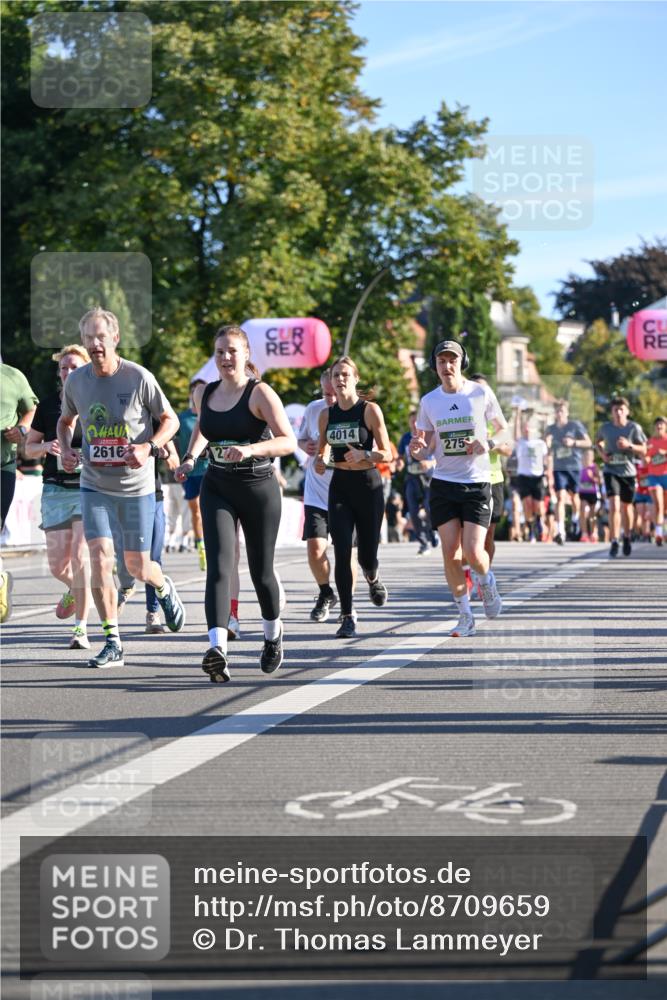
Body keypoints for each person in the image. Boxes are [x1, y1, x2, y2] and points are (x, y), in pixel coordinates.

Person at [58, 307, 185, 668]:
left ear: (115, 339)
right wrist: (67, 449)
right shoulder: (76, 381)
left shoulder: (139, 377)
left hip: (136, 487)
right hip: (94, 484)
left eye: (101, 337)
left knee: (138, 566)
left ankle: (162, 586)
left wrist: (148, 447)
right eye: (88, 338)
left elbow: (170, 420)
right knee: (99, 559)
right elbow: (65, 421)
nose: (95, 344)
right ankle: (112, 640)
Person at [175, 324, 296, 682]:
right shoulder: (208, 392)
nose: (225, 358)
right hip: (218, 486)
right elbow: (202, 429)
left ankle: (273, 636)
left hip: (258, 487)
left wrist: (249, 449)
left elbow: (287, 441)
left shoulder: (259, 393)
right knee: (219, 568)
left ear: (246, 355)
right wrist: (189, 458)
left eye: (232, 351)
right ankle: (217, 650)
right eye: (219, 353)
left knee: (260, 573)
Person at [410, 339, 506, 638]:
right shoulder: (429, 401)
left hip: (477, 483)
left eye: (452, 360)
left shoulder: (480, 392)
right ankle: (465, 615)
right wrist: (417, 449)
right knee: (450, 553)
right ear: (435, 366)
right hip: (443, 483)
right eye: (441, 361)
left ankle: (486, 580)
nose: (447, 366)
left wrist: (487, 443)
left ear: (461, 363)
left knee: (474, 552)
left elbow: (504, 430)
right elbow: (424, 446)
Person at [315, 355, 392, 639]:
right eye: (336, 376)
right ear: (331, 382)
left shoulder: (369, 410)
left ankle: (373, 577)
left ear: (355, 378)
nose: (341, 379)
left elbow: (389, 453)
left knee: (367, 556)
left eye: (346, 374)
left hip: (368, 484)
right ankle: (347, 616)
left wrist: (365, 454)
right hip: (340, 486)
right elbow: (321, 451)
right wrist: (319, 461)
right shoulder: (327, 414)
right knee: (342, 550)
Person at [24, 345, 92, 648]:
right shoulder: (50, 404)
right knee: (57, 566)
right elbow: (28, 448)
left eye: (74, 367)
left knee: (80, 558)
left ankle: (81, 628)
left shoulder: (96, 402)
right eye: (64, 368)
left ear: (86, 369)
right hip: (54, 488)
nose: (68, 372)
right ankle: (77, 590)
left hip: (87, 488)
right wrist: (47, 447)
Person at [298, 369, 358, 623]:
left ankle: (348, 604)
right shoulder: (314, 410)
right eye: (326, 394)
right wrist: (306, 446)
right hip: (316, 492)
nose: (331, 399)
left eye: (335, 394)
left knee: (346, 554)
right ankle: (325, 593)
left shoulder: (358, 412)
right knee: (314, 549)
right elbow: (300, 439)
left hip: (347, 494)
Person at [115, 437, 181, 632]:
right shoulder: (106, 410)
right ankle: (126, 587)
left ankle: (153, 613)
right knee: (124, 558)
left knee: (152, 557)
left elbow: (168, 434)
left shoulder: (147, 409)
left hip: (151, 493)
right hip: (116, 493)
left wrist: (169, 453)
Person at [0, 362, 39, 623]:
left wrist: (22, 430)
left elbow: (32, 409)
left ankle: (0, 581)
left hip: (2, 466)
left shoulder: (13, 375)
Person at [467, 373, 512, 586]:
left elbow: (508, 449)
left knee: (488, 534)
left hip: (493, 479)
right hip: (467, 479)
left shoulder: (495, 420)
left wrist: (489, 442)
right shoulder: (463, 415)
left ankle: (485, 573)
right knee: (467, 535)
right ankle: (469, 573)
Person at [595, 396, 647, 558]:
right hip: (611, 471)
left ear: (627, 412)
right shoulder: (605, 428)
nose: (618, 413)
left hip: (629, 473)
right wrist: (602, 454)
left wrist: (629, 446)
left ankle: (627, 536)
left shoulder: (634, 428)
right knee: (614, 505)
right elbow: (597, 442)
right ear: (611, 412)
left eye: (621, 410)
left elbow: (644, 449)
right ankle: (614, 540)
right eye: (615, 410)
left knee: (626, 507)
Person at [545, 399, 592, 544]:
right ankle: (561, 531)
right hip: (559, 467)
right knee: (560, 497)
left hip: (574, 466)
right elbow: (545, 445)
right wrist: (546, 444)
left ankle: (575, 519)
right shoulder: (551, 428)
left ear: (567, 412)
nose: (559, 414)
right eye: (557, 411)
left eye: (562, 411)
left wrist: (574, 443)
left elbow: (588, 442)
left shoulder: (575, 425)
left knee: (574, 497)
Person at [177, 380, 208, 571]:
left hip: (209, 470)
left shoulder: (211, 416)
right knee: (195, 511)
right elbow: (171, 441)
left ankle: (211, 545)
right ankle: (201, 547)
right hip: (190, 473)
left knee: (208, 509)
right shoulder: (183, 418)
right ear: (191, 395)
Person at [397, 412, 437, 555]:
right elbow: (401, 457)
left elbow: (441, 457)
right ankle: (423, 543)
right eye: (412, 422)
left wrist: (431, 462)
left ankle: (433, 533)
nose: (414, 424)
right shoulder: (406, 438)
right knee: (413, 512)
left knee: (429, 508)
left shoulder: (431, 436)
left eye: (417, 422)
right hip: (411, 478)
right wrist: (399, 463)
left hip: (428, 478)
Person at [514, 406, 549, 543]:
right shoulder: (520, 443)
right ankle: (531, 528)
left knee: (538, 507)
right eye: (525, 428)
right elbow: (515, 432)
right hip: (523, 477)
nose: (527, 430)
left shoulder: (540, 443)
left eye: (529, 428)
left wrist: (548, 473)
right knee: (527, 505)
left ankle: (539, 521)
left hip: (537, 477)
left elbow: (547, 458)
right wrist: (517, 414)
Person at [647, 415, 667, 547]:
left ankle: (663, 530)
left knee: (665, 508)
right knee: (658, 505)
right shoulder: (650, 442)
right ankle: (659, 534)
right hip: (654, 477)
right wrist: (647, 458)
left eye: (662, 424)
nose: (659, 427)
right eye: (657, 424)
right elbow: (646, 457)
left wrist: (664, 453)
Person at [577, 449, 602, 542]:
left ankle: (594, 533)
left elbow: (599, 481)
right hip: (583, 492)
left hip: (592, 492)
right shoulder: (580, 467)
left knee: (592, 514)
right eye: (585, 456)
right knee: (583, 511)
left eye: (589, 456)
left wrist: (592, 477)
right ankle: (584, 533)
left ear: (592, 458)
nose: (587, 458)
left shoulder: (594, 467)